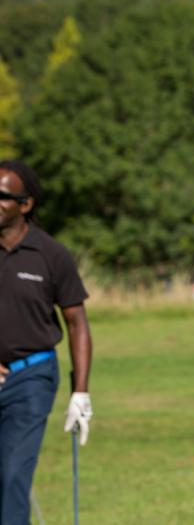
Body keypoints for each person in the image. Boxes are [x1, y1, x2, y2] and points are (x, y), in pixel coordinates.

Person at [0, 160, 94, 524]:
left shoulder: (51, 255)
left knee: (12, 474)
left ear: (25, 204)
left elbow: (77, 323)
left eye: (3, 196)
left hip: (31, 378)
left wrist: (80, 392)